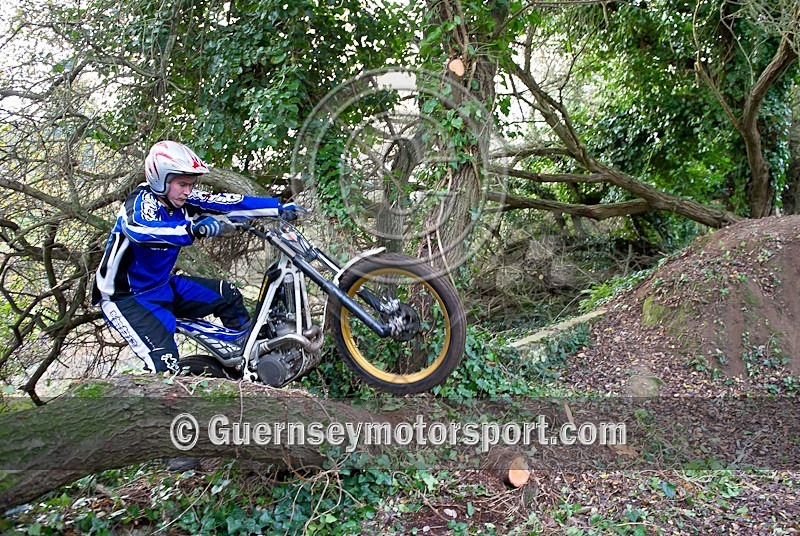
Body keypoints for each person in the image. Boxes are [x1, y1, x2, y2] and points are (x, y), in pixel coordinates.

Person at [92, 140, 295, 374]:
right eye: (181, 184)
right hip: (126, 299)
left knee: (226, 294)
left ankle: (247, 361)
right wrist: (192, 229)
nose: (187, 190)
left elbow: (227, 203)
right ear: (160, 179)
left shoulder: (184, 201)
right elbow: (141, 230)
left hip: (162, 286)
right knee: (165, 368)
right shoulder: (141, 202)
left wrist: (278, 208)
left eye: (190, 184)